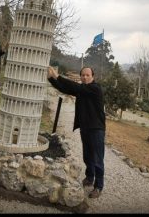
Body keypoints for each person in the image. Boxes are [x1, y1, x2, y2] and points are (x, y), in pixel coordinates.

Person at [47, 66, 106, 199]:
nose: (85, 77)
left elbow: (77, 87)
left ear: (93, 76)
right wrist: (51, 79)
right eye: (83, 75)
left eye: (87, 75)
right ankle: (90, 178)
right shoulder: (83, 90)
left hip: (96, 129)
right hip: (85, 128)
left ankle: (98, 186)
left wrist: (58, 76)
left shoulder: (95, 88)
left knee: (97, 159)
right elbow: (66, 88)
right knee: (87, 155)